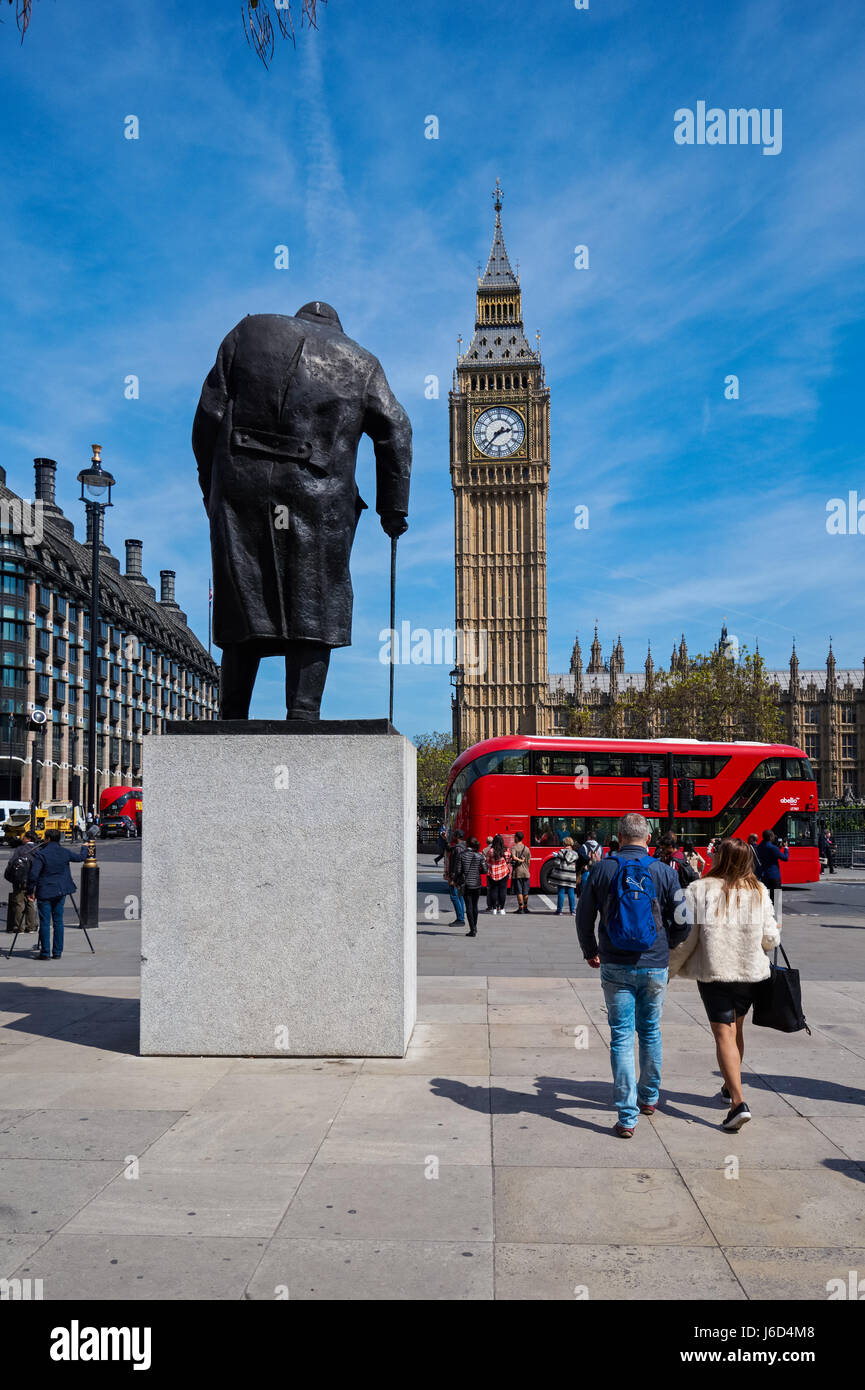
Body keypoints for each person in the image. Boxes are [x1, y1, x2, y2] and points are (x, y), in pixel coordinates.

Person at [577, 812, 687, 1137]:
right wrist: (670, 945)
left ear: (619, 838)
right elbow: (684, 919)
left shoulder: (602, 869)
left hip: (614, 964)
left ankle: (627, 1116)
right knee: (650, 1030)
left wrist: (590, 950)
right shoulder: (666, 872)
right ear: (648, 839)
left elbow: (583, 916)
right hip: (655, 963)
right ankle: (649, 1097)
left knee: (622, 1036)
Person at [669, 837, 780, 1132]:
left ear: (722, 858)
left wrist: (669, 969)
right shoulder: (758, 890)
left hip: (715, 973)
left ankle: (738, 1103)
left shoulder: (700, 889)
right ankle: (730, 1086)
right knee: (736, 1030)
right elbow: (770, 940)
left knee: (723, 1035)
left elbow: (687, 939)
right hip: (749, 974)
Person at [27, 829, 88, 961]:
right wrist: (84, 848)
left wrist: (30, 891)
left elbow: (33, 875)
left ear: (47, 838)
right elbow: (80, 858)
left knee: (44, 922)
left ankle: (45, 952)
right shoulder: (64, 852)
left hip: (45, 891)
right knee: (58, 921)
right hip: (61, 890)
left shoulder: (41, 854)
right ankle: (57, 952)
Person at [4, 830, 40, 934]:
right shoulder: (38, 849)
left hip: (20, 880)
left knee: (19, 903)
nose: (22, 839)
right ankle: (31, 926)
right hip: (33, 880)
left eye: (24, 837)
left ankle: (19, 927)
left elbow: (12, 863)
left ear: (28, 838)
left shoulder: (20, 849)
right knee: (31, 902)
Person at [460, 836, 485, 937]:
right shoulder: (479, 856)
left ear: (467, 845)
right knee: (475, 906)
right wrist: (476, 871)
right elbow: (485, 870)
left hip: (466, 884)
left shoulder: (461, 855)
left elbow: (458, 870)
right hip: (477, 884)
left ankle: (472, 929)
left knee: (468, 906)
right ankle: (475, 927)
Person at [756, 828, 788, 905]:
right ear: (770, 837)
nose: (774, 838)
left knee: (767, 896)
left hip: (764, 874)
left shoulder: (760, 846)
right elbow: (785, 858)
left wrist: (778, 848)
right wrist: (786, 848)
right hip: (774, 875)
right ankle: (777, 914)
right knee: (776, 897)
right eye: (773, 836)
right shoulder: (773, 848)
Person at [549, 836, 579, 915]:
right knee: (571, 893)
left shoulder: (561, 851)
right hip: (571, 876)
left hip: (562, 875)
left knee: (561, 892)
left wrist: (556, 858)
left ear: (564, 843)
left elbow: (557, 863)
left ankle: (559, 910)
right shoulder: (575, 853)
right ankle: (572, 911)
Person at [445, 830, 466, 926]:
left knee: (454, 896)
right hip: (461, 877)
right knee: (460, 896)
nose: (452, 837)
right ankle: (461, 916)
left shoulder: (458, 849)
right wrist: (445, 840)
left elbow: (456, 865)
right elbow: (449, 848)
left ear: (457, 836)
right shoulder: (463, 847)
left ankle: (460, 918)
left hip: (456, 877)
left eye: (454, 835)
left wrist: (452, 879)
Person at [486, 834, 510, 915]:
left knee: (494, 891)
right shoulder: (506, 850)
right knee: (503, 891)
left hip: (493, 873)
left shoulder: (491, 851)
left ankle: (494, 909)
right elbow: (508, 860)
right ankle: (502, 908)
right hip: (503, 872)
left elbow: (487, 861)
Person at [509, 830, 532, 913]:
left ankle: (521, 908)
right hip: (526, 872)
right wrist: (526, 867)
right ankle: (526, 907)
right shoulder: (527, 848)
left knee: (519, 891)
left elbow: (514, 857)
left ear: (517, 838)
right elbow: (529, 861)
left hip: (517, 873)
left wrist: (520, 860)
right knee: (525, 891)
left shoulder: (514, 848)